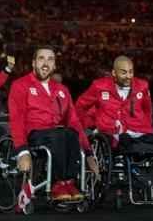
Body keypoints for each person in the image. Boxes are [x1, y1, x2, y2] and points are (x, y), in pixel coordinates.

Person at [8, 47, 97, 203]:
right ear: (33, 63)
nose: (45, 63)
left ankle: (68, 182)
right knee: (60, 134)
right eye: (41, 58)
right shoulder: (20, 85)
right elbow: (16, 119)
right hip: (34, 133)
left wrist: (89, 153)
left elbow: (74, 121)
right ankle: (58, 183)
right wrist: (22, 151)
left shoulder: (62, 90)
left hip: (57, 134)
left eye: (50, 59)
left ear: (54, 65)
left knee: (71, 133)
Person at [75, 55, 153, 145]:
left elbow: (147, 110)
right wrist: (90, 125)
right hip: (109, 132)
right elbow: (80, 106)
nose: (128, 76)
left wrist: (146, 125)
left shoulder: (142, 86)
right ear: (114, 73)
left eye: (131, 72)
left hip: (137, 130)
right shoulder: (99, 86)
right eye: (124, 73)